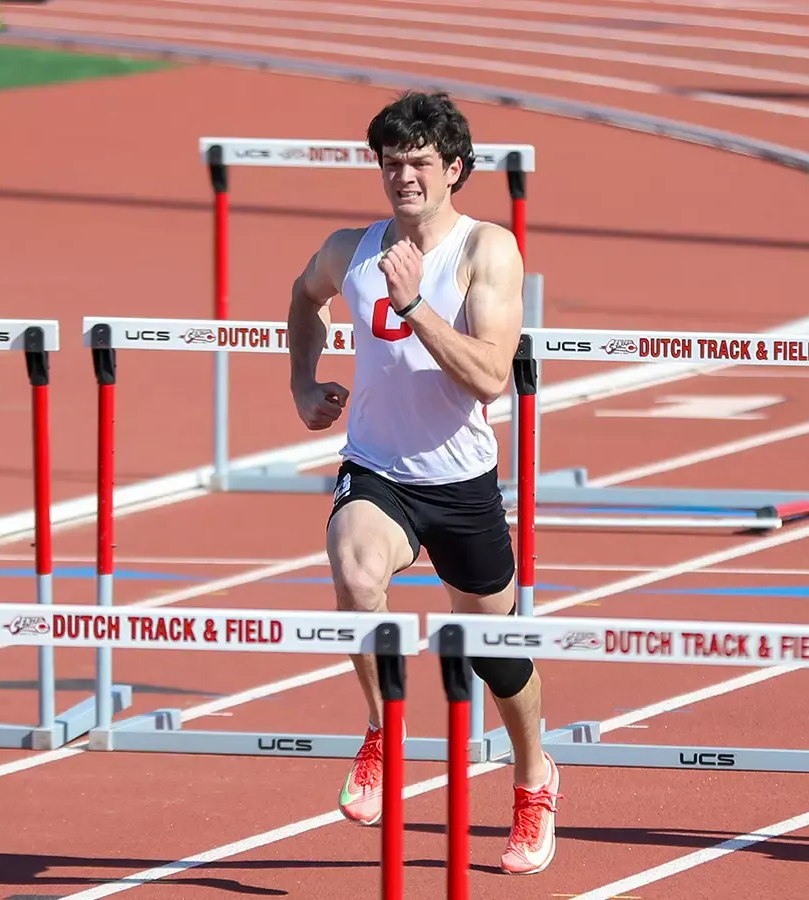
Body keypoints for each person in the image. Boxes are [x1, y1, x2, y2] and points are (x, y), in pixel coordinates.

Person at [285, 91, 560, 876]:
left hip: (461, 482)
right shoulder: (351, 248)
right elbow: (304, 297)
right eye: (391, 163)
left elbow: (489, 378)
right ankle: (382, 732)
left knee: (495, 656)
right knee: (355, 569)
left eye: (419, 164)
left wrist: (413, 306)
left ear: (455, 171)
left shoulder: (487, 251)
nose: (403, 177)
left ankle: (535, 776)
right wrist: (303, 384)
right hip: (377, 470)